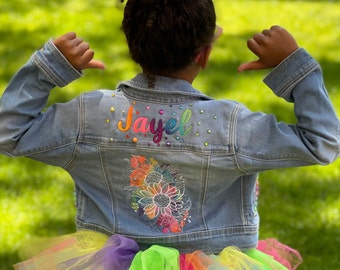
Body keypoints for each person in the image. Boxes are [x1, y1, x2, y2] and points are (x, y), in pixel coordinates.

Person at [1, 0, 339, 269]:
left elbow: (8, 131)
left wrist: (46, 69)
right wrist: (294, 67)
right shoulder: (231, 125)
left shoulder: (90, 116)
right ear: (204, 54)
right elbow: (323, 142)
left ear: (131, 44)